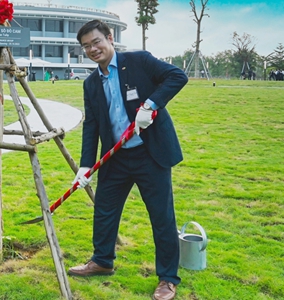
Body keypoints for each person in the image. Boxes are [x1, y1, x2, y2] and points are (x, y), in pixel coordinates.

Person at [69, 20, 188, 300]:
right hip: (116, 157)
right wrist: (85, 164)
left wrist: (151, 104)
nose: (92, 49)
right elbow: (92, 125)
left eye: (96, 41)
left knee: (161, 217)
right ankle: (102, 261)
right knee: (105, 210)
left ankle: (168, 278)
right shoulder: (90, 83)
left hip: (150, 153)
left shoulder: (138, 61)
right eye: (86, 46)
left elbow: (177, 76)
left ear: (110, 38)